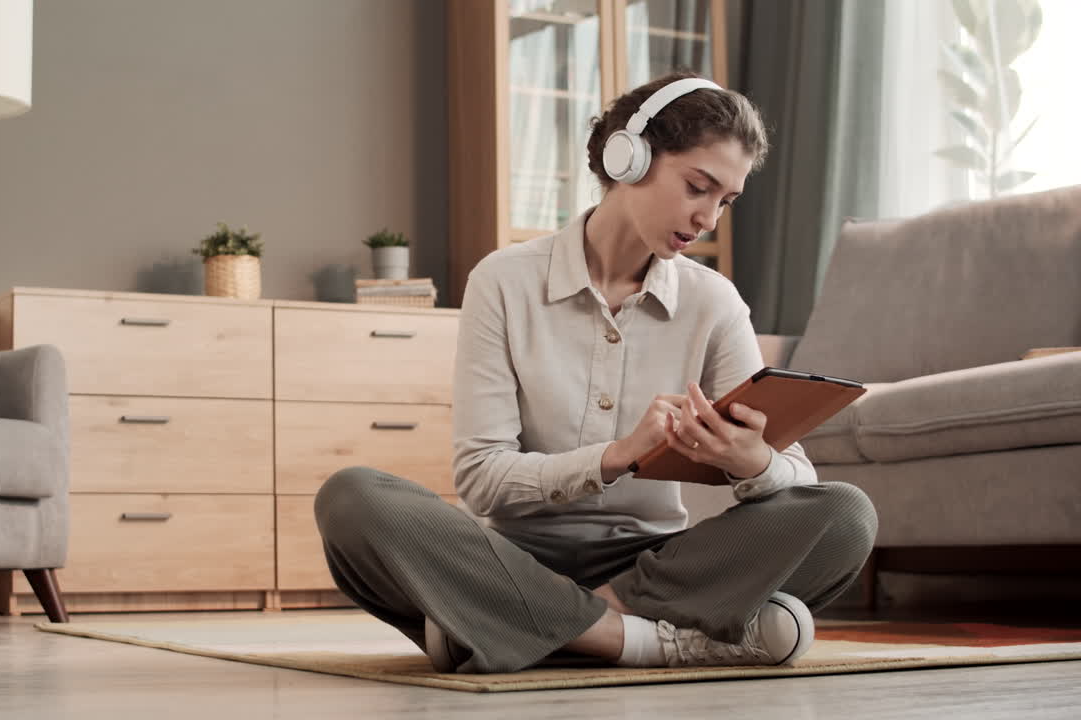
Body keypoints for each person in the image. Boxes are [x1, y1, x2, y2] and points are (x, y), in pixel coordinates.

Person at [314, 71, 878, 674]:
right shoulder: (503, 282)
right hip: (506, 557)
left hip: (655, 569)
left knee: (847, 516)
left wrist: (751, 462)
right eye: (697, 187)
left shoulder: (714, 302)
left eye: (726, 200)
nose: (709, 218)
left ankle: (519, 625)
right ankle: (633, 641)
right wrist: (619, 455)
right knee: (351, 501)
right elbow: (481, 479)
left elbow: (800, 479)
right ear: (628, 158)